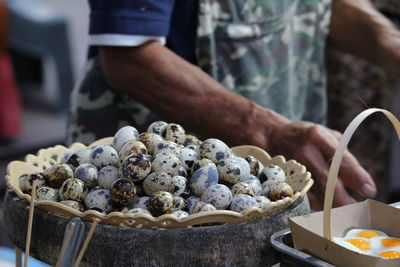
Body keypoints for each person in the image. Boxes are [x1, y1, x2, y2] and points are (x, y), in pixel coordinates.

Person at [67, 0, 400, 210]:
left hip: (266, 149)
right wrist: (268, 132)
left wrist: (388, 42)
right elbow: (130, 55)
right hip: (150, 164)